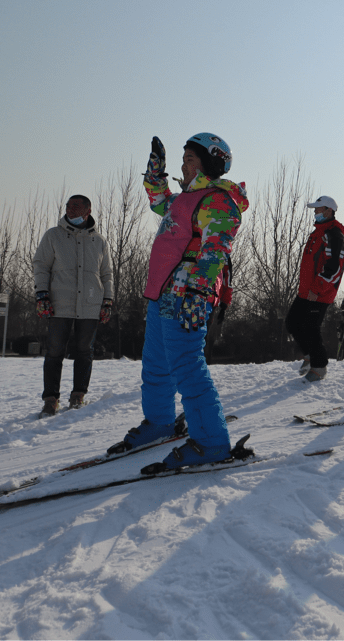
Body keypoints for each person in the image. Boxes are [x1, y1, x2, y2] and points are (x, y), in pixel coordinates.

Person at [109, 133, 250, 474]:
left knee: (187, 367)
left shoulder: (218, 200)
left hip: (187, 295)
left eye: (190, 159)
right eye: (183, 158)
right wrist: (156, 167)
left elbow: (216, 250)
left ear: (209, 164)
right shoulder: (184, 199)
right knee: (156, 365)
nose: (183, 165)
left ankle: (211, 442)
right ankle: (159, 423)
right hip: (161, 292)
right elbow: (158, 199)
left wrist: (199, 293)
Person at [32, 195, 114, 415]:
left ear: (87, 210)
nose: (70, 209)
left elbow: (107, 274)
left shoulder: (100, 241)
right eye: (68, 205)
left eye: (76, 206)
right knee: (54, 352)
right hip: (59, 304)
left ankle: (78, 395)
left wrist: (108, 301)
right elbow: (41, 265)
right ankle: (50, 399)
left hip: (90, 305)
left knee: (84, 351)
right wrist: (42, 294)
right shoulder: (53, 236)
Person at [287, 195, 344, 382]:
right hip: (306, 290)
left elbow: (333, 267)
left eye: (318, 209)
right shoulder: (318, 232)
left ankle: (319, 366)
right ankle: (309, 355)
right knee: (292, 322)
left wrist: (317, 288)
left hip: (320, 292)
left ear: (329, 211)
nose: (315, 213)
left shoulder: (334, 234)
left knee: (310, 328)